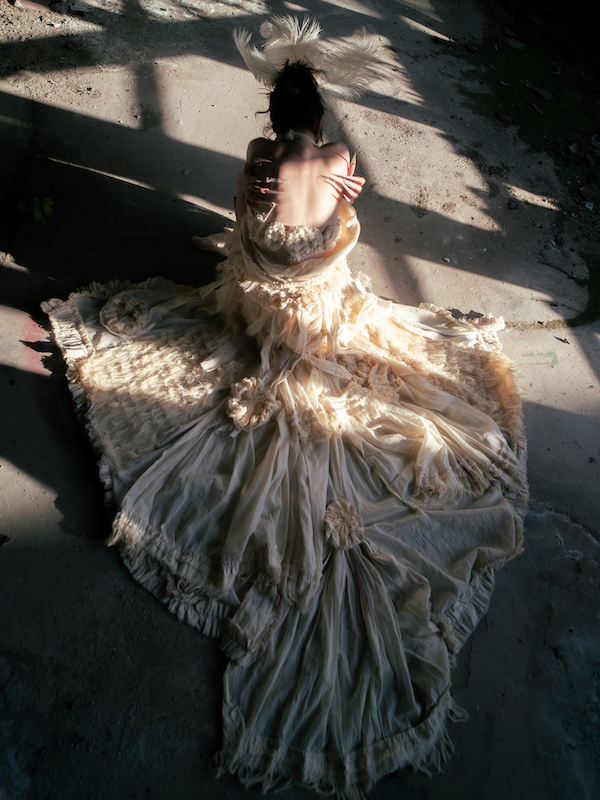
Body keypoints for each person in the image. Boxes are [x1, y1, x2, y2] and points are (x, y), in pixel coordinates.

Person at [43, 17, 527, 799]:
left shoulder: (259, 160)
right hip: (315, 320)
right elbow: (328, 218)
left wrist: (278, 206)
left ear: (274, 117)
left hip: (254, 313)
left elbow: (247, 219)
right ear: (323, 116)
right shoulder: (337, 161)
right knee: (370, 358)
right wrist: (334, 200)